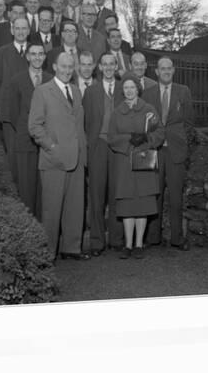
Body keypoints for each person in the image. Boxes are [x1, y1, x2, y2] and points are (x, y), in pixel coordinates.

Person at [28, 51, 90, 261]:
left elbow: (79, 126)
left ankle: (71, 248)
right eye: (63, 66)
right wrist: (51, 147)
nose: (66, 71)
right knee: (52, 211)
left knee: (75, 208)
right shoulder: (42, 91)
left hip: (76, 158)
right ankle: (48, 254)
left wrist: (84, 154)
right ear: (54, 67)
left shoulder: (76, 91)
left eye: (70, 67)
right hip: (53, 160)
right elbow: (34, 126)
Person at [107, 76, 165, 259]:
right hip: (124, 162)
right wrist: (128, 139)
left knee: (142, 203)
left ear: (138, 89)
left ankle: (139, 244)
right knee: (127, 204)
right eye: (126, 87)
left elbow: (160, 132)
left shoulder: (149, 109)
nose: (129, 90)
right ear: (122, 90)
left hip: (143, 159)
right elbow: (111, 137)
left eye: (132, 87)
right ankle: (128, 244)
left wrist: (146, 140)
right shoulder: (117, 112)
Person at [142, 56, 194, 251]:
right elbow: (144, 124)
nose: (165, 71)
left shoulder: (183, 91)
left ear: (173, 70)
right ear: (156, 71)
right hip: (154, 150)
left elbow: (189, 123)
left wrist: (184, 145)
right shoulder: (148, 93)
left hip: (175, 151)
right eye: (162, 68)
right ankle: (153, 237)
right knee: (155, 195)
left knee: (176, 198)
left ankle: (177, 238)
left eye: (169, 68)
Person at [82, 52, 124, 255]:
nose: (108, 67)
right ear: (99, 67)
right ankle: (97, 242)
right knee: (97, 195)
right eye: (104, 64)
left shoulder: (124, 90)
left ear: (116, 66)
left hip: (117, 147)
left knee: (116, 193)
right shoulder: (91, 91)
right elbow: (86, 122)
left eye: (111, 64)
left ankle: (116, 239)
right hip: (98, 145)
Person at [8, 43, 52, 219]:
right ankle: (28, 230)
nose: (37, 57)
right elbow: (13, 113)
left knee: (45, 188)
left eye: (41, 54)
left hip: (47, 143)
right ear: (27, 56)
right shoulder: (17, 80)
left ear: (44, 57)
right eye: (33, 54)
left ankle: (45, 229)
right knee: (26, 189)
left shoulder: (51, 79)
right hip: (25, 142)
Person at [0, 17, 31, 183]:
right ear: (12, 30)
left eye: (24, 28)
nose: (21, 31)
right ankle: (16, 191)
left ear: (29, 31)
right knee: (13, 153)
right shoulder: (3, 51)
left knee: (29, 153)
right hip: (8, 109)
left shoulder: (35, 51)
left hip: (30, 110)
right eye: (17, 28)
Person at [0, 0, 25, 87]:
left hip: (23, 76)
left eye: (21, 13)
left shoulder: (29, 31)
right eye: (15, 13)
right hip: (3, 75)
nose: (18, 16)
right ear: (9, 14)